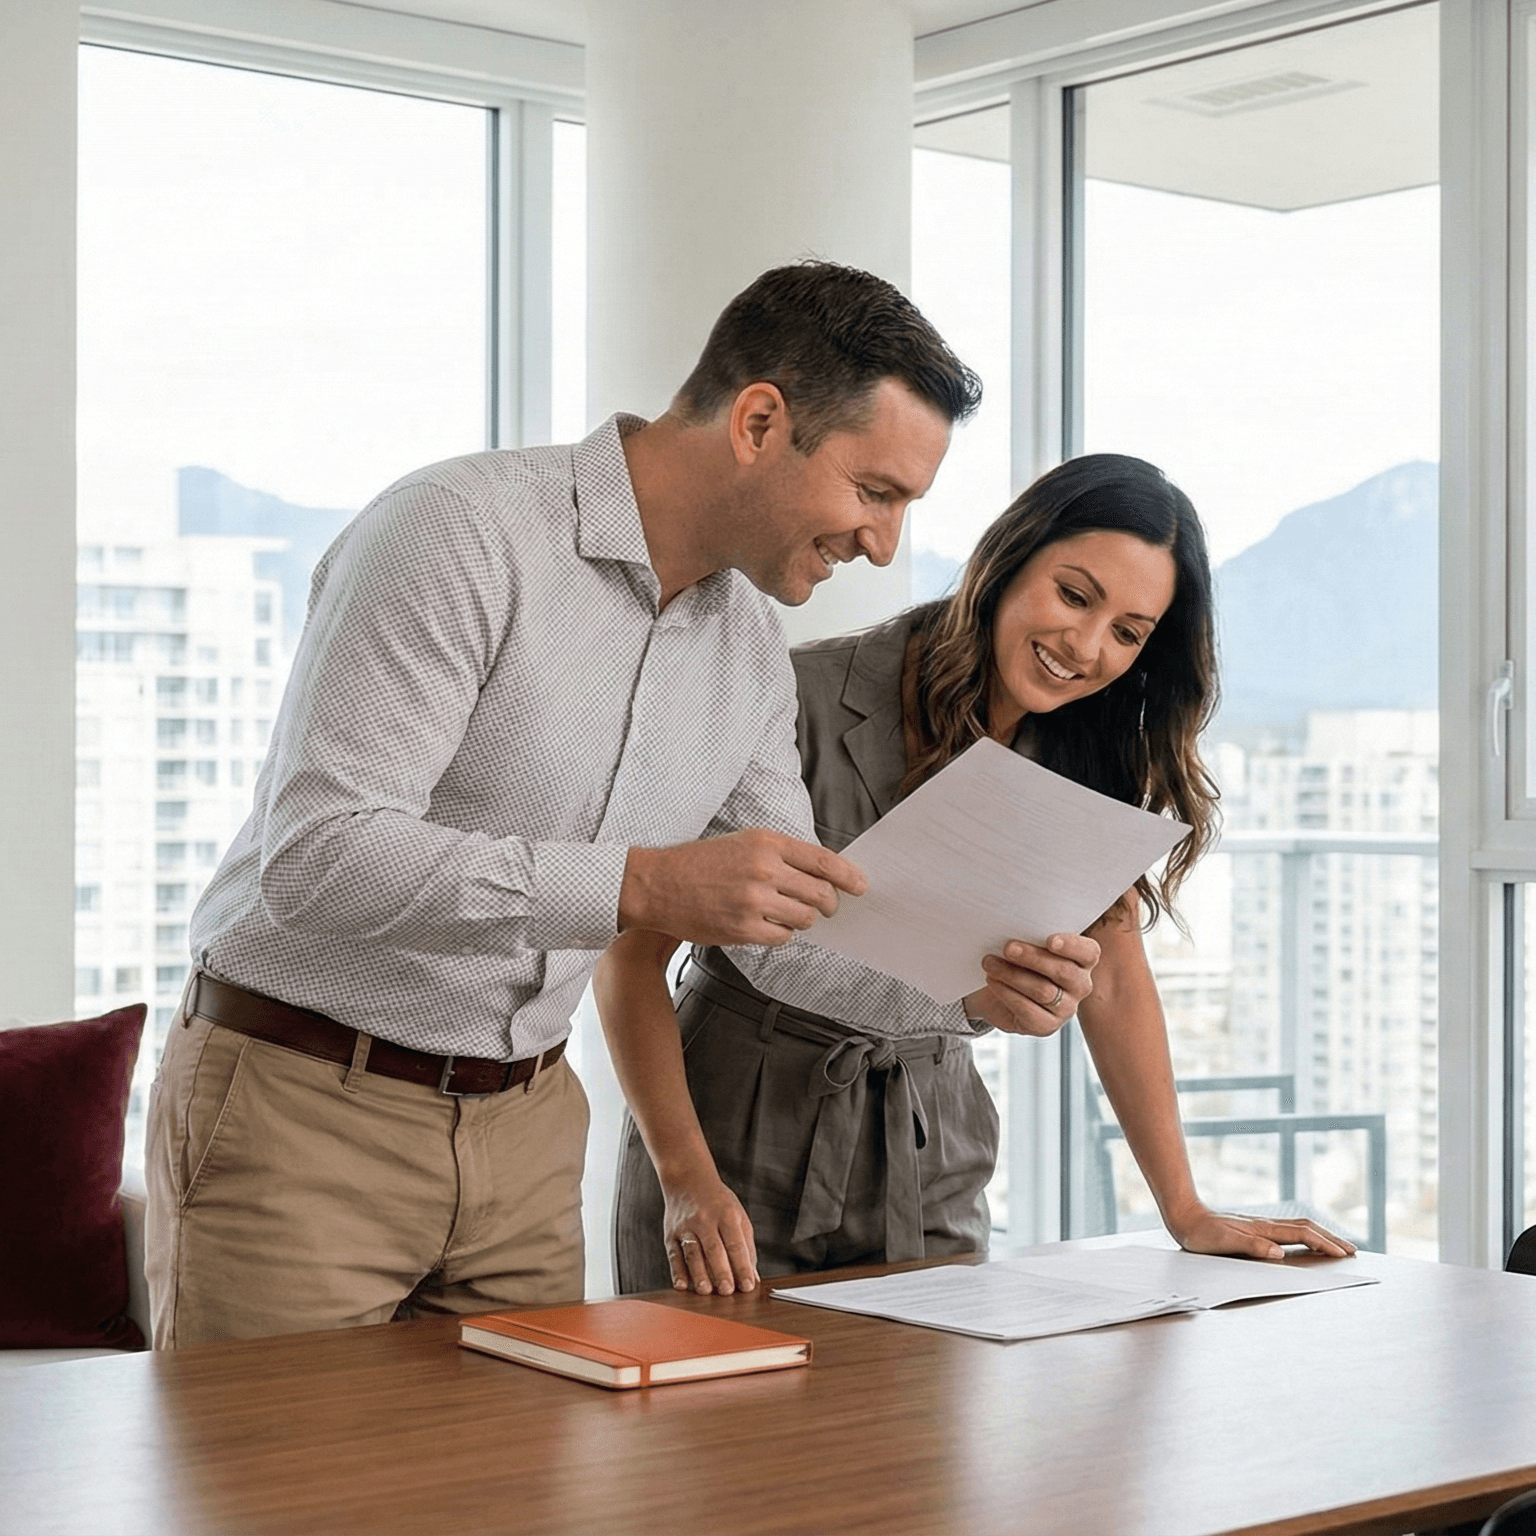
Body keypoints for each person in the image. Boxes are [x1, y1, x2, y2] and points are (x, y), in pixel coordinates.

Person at [142, 260, 1053, 1346]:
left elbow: (781, 936)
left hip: (528, 1134)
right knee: (278, 1506)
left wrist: (972, 994)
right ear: (760, 421)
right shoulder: (455, 533)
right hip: (297, 1108)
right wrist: (644, 883)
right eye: (876, 491)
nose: (885, 543)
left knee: (516, 1503)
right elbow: (319, 860)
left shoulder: (750, 651)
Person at [603, 453, 1356, 1298]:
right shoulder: (796, 692)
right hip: (731, 1145)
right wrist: (684, 1178)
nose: (1086, 646)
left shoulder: (1087, 751)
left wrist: (1184, 1209)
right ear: (1008, 558)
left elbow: (1113, 983)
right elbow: (629, 960)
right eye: (1073, 595)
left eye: (1128, 633)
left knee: (929, 1429)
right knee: (713, 1428)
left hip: (932, 1152)